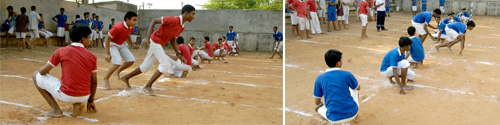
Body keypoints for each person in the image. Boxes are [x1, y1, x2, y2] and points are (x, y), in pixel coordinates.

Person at [120, 5, 196, 96]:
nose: (194, 16)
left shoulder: (182, 26)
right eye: (193, 14)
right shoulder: (173, 19)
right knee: (165, 65)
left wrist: (178, 53)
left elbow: (172, 39)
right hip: (155, 41)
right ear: (186, 13)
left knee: (145, 67)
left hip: (158, 43)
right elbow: (154, 21)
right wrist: (147, 38)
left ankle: (126, 77)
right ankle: (147, 86)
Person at [32, 23, 97, 118]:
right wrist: (90, 101)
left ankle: (56, 110)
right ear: (83, 39)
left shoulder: (62, 51)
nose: (89, 41)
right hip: (85, 95)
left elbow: (42, 72)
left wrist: (46, 72)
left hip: (67, 95)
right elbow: (94, 81)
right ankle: (77, 104)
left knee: (35, 75)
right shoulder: (92, 56)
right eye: (89, 38)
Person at [314, 49, 360, 124]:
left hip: (333, 118)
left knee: (318, 109)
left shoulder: (319, 78)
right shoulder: (347, 74)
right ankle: (356, 116)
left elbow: (317, 101)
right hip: (352, 113)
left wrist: (321, 105)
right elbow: (358, 88)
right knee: (355, 89)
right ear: (338, 63)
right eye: (341, 59)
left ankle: (332, 121)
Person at [102, 11, 140, 89]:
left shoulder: (131, 27)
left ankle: (117, 71)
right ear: (127, 20)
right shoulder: (118, 27)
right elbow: (107, 38)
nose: (135, 22)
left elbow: (128, 35)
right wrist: (107, 53)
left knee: (131, 60)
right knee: (117, 62)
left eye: (136, 20)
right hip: (112, 44)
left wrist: (132, 44)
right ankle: (105, 78)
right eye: (134, 20)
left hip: (121, 44)